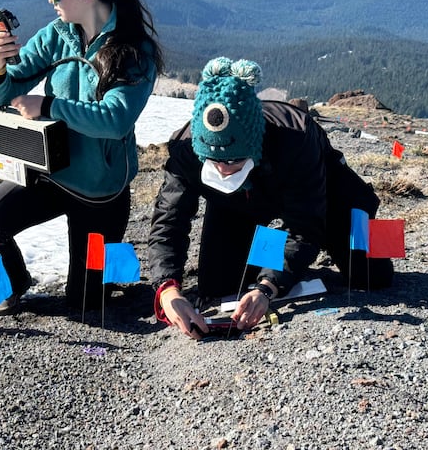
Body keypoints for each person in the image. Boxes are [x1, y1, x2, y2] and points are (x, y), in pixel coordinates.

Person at [0, 0, 165, 318]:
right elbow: (3, 91)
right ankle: (13, 286)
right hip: (51, 171)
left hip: (99, 191)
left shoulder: (133, 51)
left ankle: (110, 280)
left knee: (87, 304)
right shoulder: (58, 34)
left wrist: (49, 106)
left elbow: (115, 119)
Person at [148, 57, 394, 339]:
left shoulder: (296, 138)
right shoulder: (185, 150)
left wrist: (267, 287)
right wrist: (167, 288)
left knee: (372, 276)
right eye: (215, 163)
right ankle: (274, 258)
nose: (225, 170)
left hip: (323, 192)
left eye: (234, 162)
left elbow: (304, 223)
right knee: (221, 287)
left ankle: (312, 256)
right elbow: (169, 220)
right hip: (239, 204)